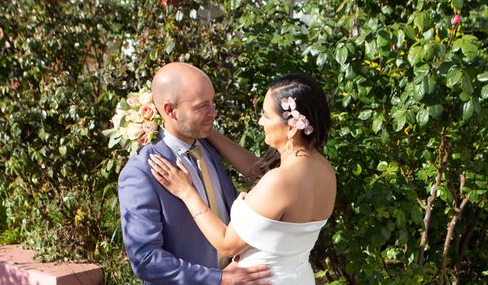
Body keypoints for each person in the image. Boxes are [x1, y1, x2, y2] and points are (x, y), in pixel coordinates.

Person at [149, 73, 337, 285]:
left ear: (292, 127)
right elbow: (257, 170)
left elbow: (226, 244)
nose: (260, 121)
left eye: (266, 115)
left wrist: (187, 192)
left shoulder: (279, 181)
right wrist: (207, 131)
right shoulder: (322, 169)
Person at [118, 62, 273, 285]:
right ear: (170, 110)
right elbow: (145, 259)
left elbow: (259, 171)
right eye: (202, 106)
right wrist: (219, 279)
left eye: (213, 102)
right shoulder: (141, 172)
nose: (214, 112)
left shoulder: (209, 148)